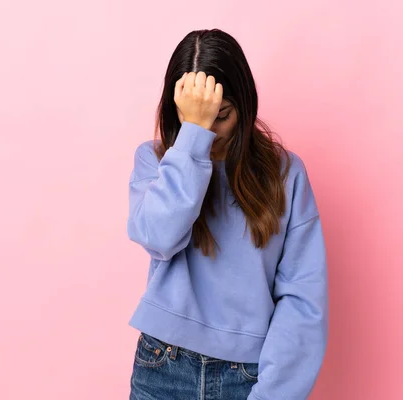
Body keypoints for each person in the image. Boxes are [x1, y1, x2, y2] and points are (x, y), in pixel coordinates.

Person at [126, 28, 328, 400]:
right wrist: (192, 137)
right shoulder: (155, 161)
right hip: (162, 365)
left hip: (247, 377)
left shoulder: (286, 174)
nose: (211, 131)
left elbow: (303, 299)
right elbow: (158, 236)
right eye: (196, 117)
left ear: (244, 105)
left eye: (221, 116)